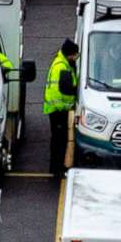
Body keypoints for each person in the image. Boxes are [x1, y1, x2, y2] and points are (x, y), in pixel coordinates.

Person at [45, 38, 79, 178]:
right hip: (58, 110)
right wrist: (67, 106)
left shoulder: (62, 63)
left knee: (58, 140)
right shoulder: (62, 67)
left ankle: (56, 168)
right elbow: (59, 92)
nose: (76, 57)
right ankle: (57, 169)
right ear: (70, 54)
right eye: (75, 54)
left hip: (56, 109)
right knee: (59, 141)